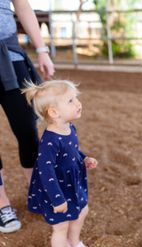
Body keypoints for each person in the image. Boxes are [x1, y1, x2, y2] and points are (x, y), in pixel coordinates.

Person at [0, 0, 54, 232]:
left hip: (10, 56)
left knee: (27, 128)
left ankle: (37, 192)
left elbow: (21, 5)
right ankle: (2, 205)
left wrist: (42, 49)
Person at [22, 80, 98, 247]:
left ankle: (74, 242)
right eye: (70, 101)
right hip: (56, 189)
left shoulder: (70, 127)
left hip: (72, 183)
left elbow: (73, 151)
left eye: (76, 98)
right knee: (61, 226)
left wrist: (84, 158)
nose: (78, 103)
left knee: (82, 211)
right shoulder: (49, 141)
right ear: (54, 112)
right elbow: (45, 171)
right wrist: (57, 199)